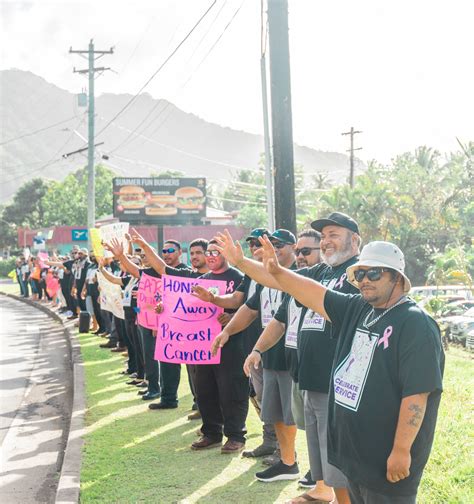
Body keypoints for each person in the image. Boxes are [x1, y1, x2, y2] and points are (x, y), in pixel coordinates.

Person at [258, 237, 444, 504]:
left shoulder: (416, 324)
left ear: (398, 278)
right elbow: (312, 292)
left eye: (374, 273)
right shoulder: (359, 308)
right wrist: (276, 271)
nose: (364, 279)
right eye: (360, 273)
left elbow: (417, 394)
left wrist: (401, 451)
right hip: (353, 454)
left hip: (386, 460)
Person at [242, 215, 360, 503]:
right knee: (318, 444)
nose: (327, 240)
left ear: (355, 240)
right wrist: (241, 262)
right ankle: (321, 490)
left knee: (337, 452)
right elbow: (276, 280)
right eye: (323, 236)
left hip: (338, 380)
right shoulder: (320, 271)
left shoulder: (360, 273)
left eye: (334, 234)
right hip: (310, 375)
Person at [127, 231, 209, 411]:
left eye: (199, 253)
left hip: (204, 334)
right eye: (193, 253)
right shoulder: (186, 274)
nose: (195, 256)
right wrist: (163, 306)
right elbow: (162, 269)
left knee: (199, 370)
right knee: (172, 363)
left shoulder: (217, 278)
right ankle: (170, 398)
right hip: (177, 329)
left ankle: (201, 404)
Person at [191, 240, 248, 454]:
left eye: (216, 251)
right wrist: (164, 309)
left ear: (226, 253)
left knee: (231, 390)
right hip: (205, 345)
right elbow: (186, 308)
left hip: (232, 344)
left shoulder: (239, 278)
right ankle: (211, 432)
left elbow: (248, 305)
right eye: (208, 252)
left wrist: (232, 317)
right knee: (205, 390)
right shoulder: (201, 281)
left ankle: (235, 435)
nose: (211, 256)